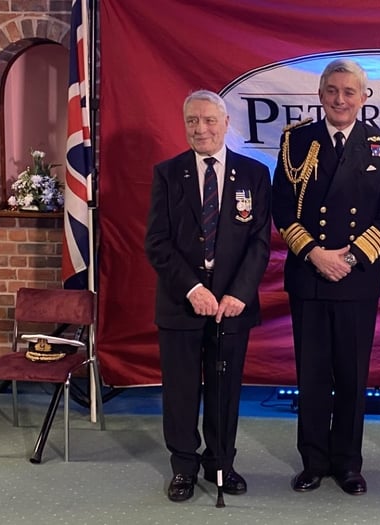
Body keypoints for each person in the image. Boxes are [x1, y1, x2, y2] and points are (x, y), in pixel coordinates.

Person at [272, 59, 380, 495]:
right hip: (309, 276)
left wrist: (346, 260)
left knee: (351, 374)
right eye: (332, 90)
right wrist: (314, 253)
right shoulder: (295, 141)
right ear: (320, 94)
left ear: (364, 97)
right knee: (311, 374)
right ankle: (313, 461)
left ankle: (348, 463)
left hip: (356, 278)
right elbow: (281, 208)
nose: (340, 99)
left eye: (349, 91)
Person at [145, 90, 271, 502]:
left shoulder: (253, 174)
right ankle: (183, 466)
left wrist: (238, 293)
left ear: (225, 123)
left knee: (225, 389)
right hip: (182, 303)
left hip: (233, 307)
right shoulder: (168, 174)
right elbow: (157, 243)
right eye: (192, 122)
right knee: (181, 389)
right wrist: (194, 288)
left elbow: (259, 243)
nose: (200, 129)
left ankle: (221, 464)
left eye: (209, 121)